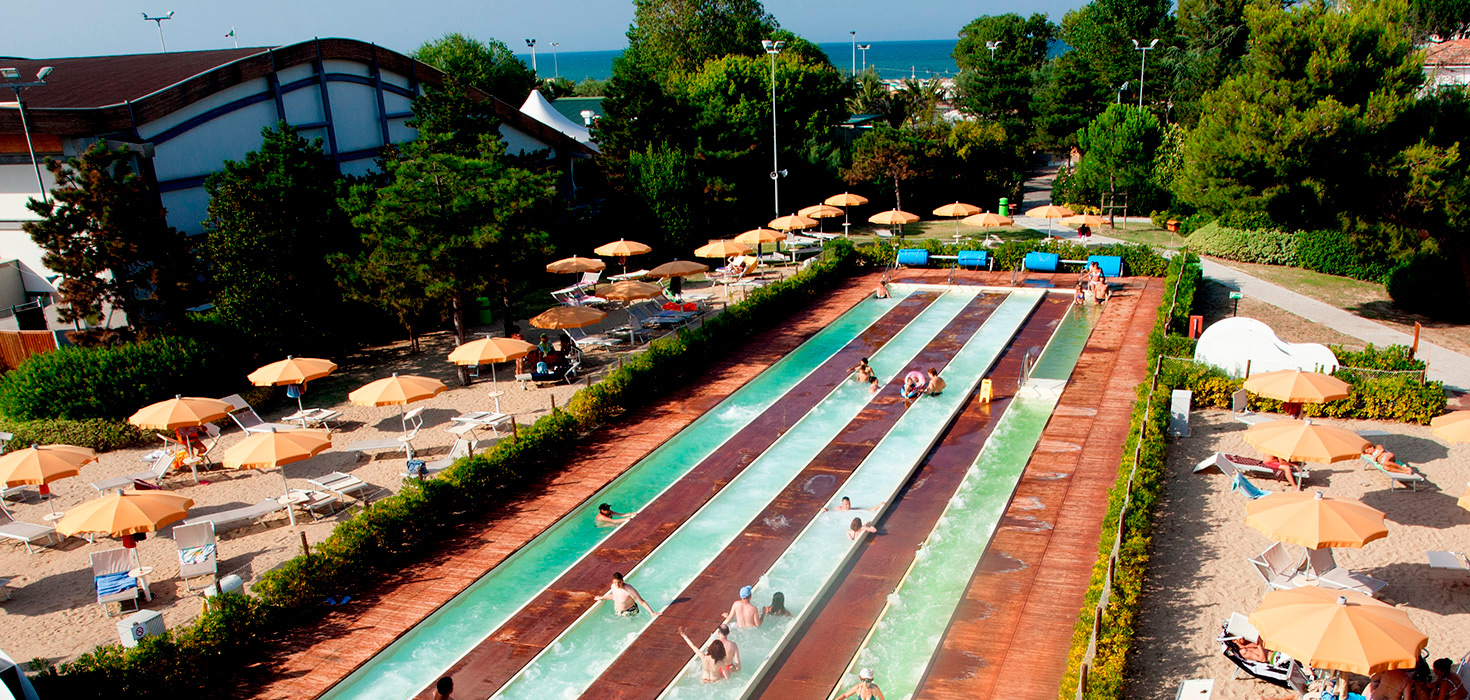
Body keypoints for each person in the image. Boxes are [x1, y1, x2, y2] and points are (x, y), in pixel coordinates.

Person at [594, 572, 659, 617]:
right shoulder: (613, 586)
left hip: (630, 613)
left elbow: (641, 602)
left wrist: (651, 612)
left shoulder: (629, 589)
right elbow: (615, 597)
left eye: (619, 582)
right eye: (615, 582)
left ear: (622, 580)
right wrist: (601, 598)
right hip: (618, 612)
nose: (617, 584)